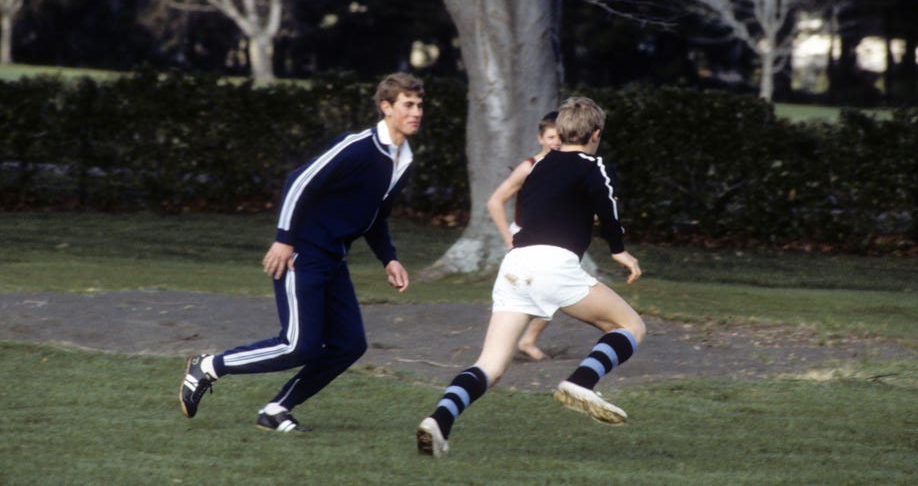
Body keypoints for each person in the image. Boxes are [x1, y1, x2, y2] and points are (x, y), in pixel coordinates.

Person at [179, 72, 424, 433]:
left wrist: (389, 258)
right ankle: (209, 366)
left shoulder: (403, 159)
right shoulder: (358, 146)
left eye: (419, 105)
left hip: (333, 261)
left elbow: (375, 216)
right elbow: (299, 180)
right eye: (408, 104)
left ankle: (276, 410)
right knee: (298, 345)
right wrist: (284, 238)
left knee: (349, 345)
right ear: (386, 108)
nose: (416, 111)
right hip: (303, 254)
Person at [416, 96, 645, 457]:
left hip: (515, 264)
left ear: (562, 130)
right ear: (595, 134)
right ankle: (581, 381)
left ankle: (438, 420)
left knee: (489, 365)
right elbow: (608, 207)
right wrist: (619, 250)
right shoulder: (594, 164)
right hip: (553, 264)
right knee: (630, 326)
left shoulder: (538, 166)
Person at [485, 111, 561, 361]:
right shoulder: (528, 168)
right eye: (551, 136)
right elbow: (495, 201)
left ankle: (527, 341)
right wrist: (508, 238)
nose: (556, 141)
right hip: (527, 241)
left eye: (560, 136)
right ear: (541, 138)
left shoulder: (569, 167)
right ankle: (502, 349)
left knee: (554, 292)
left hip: (554, 241)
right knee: (525, 294)